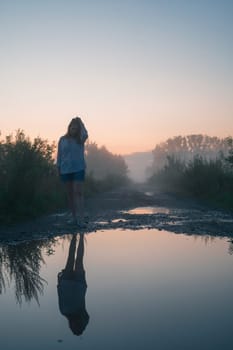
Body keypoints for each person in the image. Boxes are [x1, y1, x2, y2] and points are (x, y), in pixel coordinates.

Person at [57, 117, 88, 227]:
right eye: (72, 127)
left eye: (75, 127)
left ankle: (81, 219)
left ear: (78, 129)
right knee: (70, 194)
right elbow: (59, 155)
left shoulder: (80, 139)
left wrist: (80, 122)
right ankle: (74, 218)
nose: (73, 129)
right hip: (65, 170)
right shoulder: (62, 139)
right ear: (69, 128)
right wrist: (58, 168)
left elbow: (86, 133)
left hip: (78, 169)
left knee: (78, 193)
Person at [57, 234, 89, 336]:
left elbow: (60, 296)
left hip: (66, 283)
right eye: (78, 326)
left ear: (71, 326)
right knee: (78, 259)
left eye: (74, 327)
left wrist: (59, 282)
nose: (75, 324)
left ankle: (75, 235)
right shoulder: (83, 317)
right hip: (78, 285)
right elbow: (87, 316)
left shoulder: (64, 312)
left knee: (71, 258)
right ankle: (81, 234)